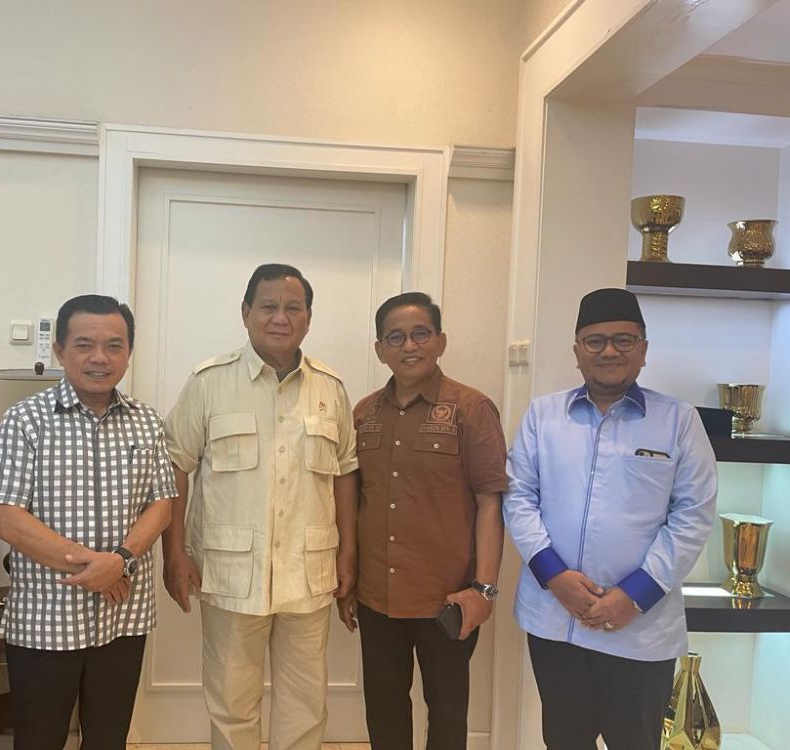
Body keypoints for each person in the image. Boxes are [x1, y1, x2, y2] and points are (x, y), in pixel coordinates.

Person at [504, 287, 718, 750]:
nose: (608, 351)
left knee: (634, 741)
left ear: (643, 349)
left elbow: (693, 515)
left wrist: (634, 595)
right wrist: (554, 576)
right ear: (577, 350)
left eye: (623, 340)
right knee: (564, 739)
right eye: (595, 341)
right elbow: (518, 496)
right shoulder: (544, 416)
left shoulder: (678, 421)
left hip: (639, 627)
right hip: (556, 619)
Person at [163, 263, 359, 750]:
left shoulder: (330, 388)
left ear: (308, 318)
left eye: (293, 308)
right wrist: (175, 552)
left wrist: (349, 553)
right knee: (231, 703)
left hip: (309, 574)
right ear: (246, 312)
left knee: (305, 705)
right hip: (231, 575)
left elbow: (345, 473)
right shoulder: (209, 382)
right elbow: (175, 466)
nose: (280, 317)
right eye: (269, 306)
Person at [0, 294, 176, 750]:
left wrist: (120, 560)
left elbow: (162, 504)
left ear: (129, 352)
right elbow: (6, 519)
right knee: (39, 738)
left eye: (114, 345)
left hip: (123, 613)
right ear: (60, 350)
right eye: (84, 345)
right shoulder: (25, 420)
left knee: (108, 737)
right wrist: (95, 567)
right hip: (45, 617)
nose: (99, 358)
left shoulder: (147, 421)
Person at [338, 292, 507, 750]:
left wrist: (485, 589)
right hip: (376, 596)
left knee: (447, 714)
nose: (409, 346)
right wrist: (348, 579)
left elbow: (490, 503)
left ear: (440, 341)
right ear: (380, 349)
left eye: (420, 334)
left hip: (446, 599)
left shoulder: (471, 409)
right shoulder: (364, 414)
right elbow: (353, 503)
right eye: (396, 337)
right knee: (384, 711)